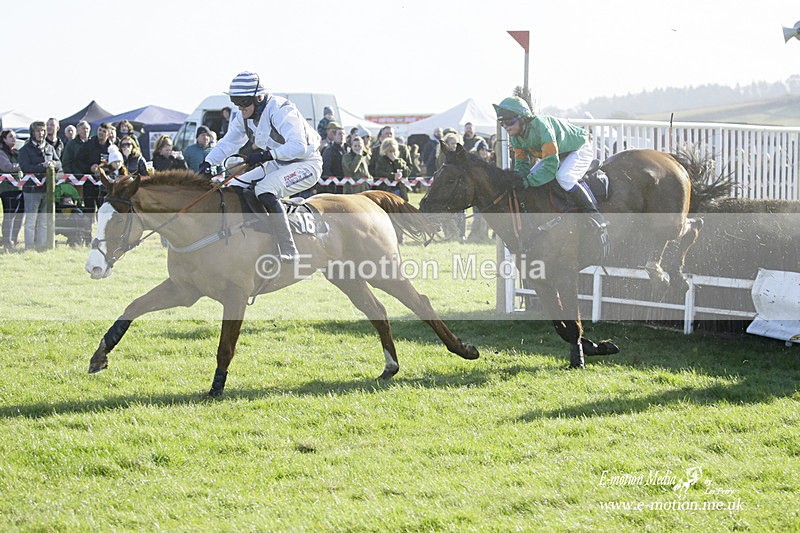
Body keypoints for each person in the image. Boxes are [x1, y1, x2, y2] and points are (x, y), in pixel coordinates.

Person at [199, 70, 322, 263]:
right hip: (277, 163)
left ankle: (288, 248)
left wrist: (266, 155)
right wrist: (208, 163)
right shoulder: (243, 116)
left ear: (259, 98)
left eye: (243, 101)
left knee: (264, 189)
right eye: (235, 101)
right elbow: (229, 142)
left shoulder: (280, 109)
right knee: (233, 187)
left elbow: (298, 146)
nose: (240, 107)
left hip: (306, 163)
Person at [493, 96, 608, 229]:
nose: (505, 126)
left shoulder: (542, 127)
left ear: (523, 118)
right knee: (528, 179)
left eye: (509, 121)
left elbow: (550, 166)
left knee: (564, 177)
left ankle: (594, 215)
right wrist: (520, 180)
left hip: (578, 148)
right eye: (502, 123)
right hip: (559, 153)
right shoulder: (515, 137)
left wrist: (528, 181)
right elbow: (522, 165)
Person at [18, 120, 62, 250]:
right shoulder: (25, 149)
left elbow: (59, 163)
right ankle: (29, 246)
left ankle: (41, 246)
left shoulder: (49, 147)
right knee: (31, 221)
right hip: (31, 190)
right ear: (32, 132)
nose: (41, 133)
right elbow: (25, 167)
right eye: (37, 131)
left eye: (43, 130)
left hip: (47, 189)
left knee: (43, 221)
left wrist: (53, 164)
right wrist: (42, 166)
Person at [76, 121, 114, 214]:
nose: (101, 133)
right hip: (89, 182)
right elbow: (78, 160)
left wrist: (105, 169)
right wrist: (89, 168)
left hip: (105, 183)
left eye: (104, 131)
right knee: (89, 210)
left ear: (109, 133)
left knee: (104, 210)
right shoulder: (88, 144)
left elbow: (115, 165)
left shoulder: (112, 148)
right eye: (99, 130)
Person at [0, 129, 24, 251]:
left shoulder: (16, 152)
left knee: (19, 215)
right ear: (4, 139)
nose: (14, 139)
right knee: (9, 215)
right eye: (10, 137)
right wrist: (22, 165)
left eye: (14, 137)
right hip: (7, 188)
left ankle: (14, 238)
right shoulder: (1, 153)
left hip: (19, 187)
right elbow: (6, 167)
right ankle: (7, 240)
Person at [321, 124, 346, 193]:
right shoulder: (329, 151)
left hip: (345, 184)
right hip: (334, 186)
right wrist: (332, 185)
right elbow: (326, 169)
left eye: (343, 134)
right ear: (334, 136)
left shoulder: (347, 150)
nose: (342, 136)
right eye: (339, 134)